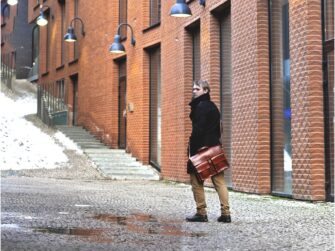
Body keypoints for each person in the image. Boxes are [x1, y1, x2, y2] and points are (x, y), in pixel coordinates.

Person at [186, 80, 231, 223]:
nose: (194, 91)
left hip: (200, 149)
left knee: (196, 180)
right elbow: (219, 128)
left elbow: (198, 130)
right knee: (219, 181)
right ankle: (226, 213)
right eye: (193, 89)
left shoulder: (200, 106)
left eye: (197, 89)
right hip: (214, 147)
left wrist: (192, 149)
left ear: (206, 91)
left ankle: (201, 212)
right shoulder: (213, 106)